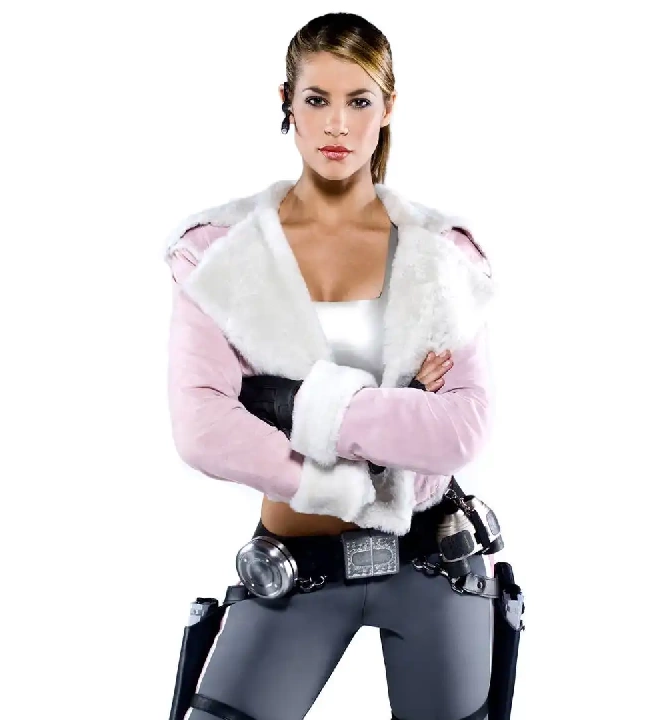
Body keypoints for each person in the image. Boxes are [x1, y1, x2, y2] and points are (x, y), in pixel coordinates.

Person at [163, 12, 513, 720]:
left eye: (359, 101)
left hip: (431, 559)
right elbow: (201, 427)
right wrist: (398, 410)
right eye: (317, 99)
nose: (337, 124)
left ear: (388, 108)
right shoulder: (220, 254)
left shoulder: (442, 253)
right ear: (286, 102)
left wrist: (281, 403)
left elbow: (461, 430)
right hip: (296, 567)